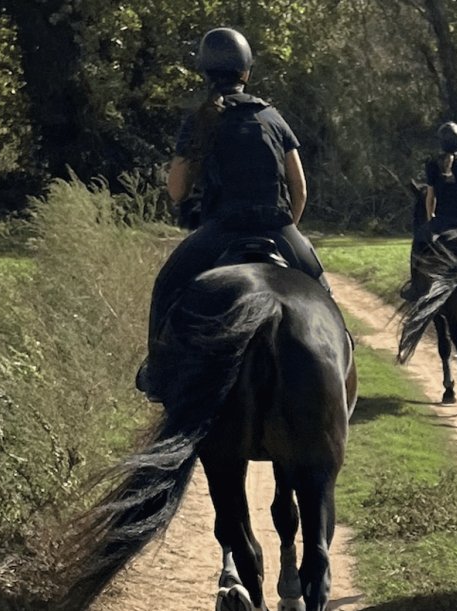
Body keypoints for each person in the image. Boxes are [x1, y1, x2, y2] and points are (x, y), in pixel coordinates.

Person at [138, 27, 332, 398]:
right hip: (276, 226)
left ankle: (157, 373)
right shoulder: (272, 117)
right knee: (319, 288)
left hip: (221, 229)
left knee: (166, 285)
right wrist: (289, 227)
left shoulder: (201, 119)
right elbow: (300, 189)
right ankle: (342, 353)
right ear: (246, 71)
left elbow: (177, 190)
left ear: (205, 72)